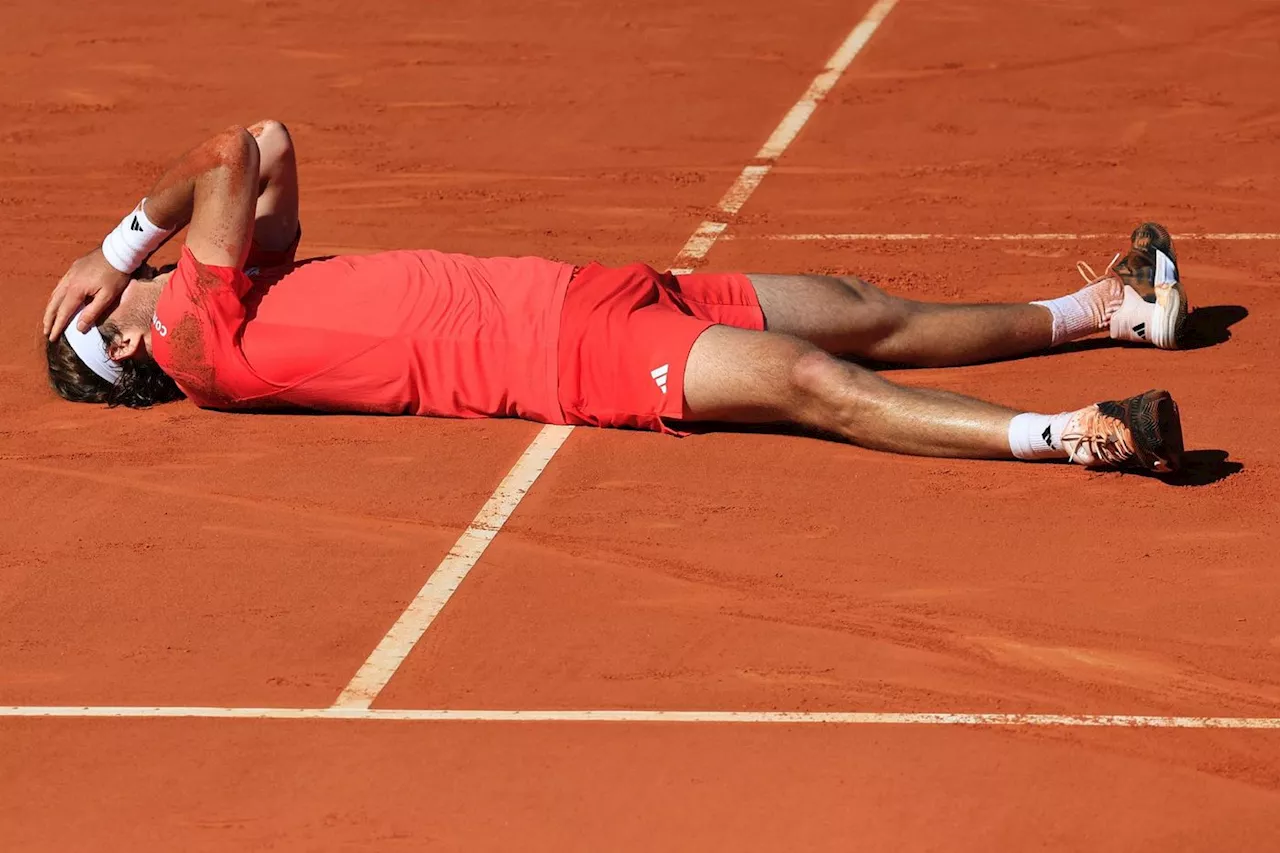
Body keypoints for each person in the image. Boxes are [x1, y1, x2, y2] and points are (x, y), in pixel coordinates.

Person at [43, 121, 1188, 473]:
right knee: (813, 384)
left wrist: (141, 251)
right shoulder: (196, 337)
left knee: (861, 306)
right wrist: (114, 246)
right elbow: (225, 161)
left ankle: (1106, 311)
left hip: (597, 294)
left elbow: (272, 144)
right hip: (565, 362)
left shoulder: (239, 290)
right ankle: (1070, 438)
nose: (128, 286)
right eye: (111, 303)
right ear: (123, 342)